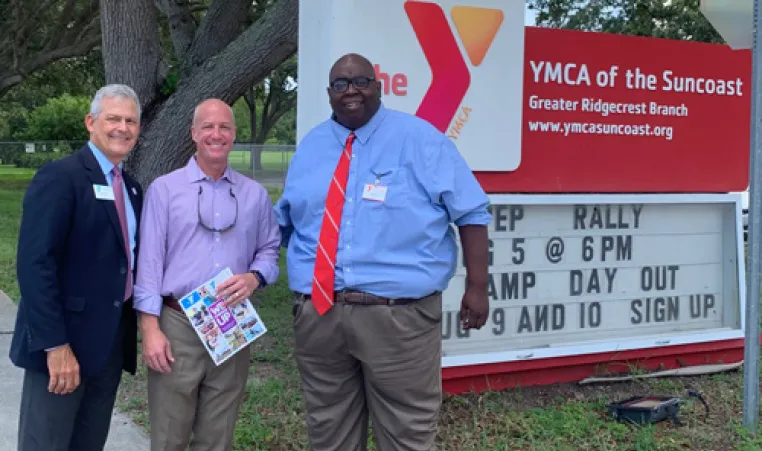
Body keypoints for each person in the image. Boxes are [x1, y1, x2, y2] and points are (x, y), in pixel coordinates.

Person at [275, 53, 492, 451]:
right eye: (340, 84)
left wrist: (478, 287)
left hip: (398, 318)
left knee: (406, 433)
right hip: (320, 316)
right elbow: (289, 224)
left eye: (360, 81)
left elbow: (472, 213)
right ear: (329, 94)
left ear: (378, 86)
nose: (351, 90)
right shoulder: (311, 147)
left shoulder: (421, 140)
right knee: (328, 429)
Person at [133, 98, 281, 451]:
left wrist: (255, 277)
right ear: (194, 134)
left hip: (231, 320)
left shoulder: (254, 195)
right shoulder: (165, 190)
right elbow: (149, 263)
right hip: (178, 322)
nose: (217, 134)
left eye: (225, 127)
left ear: (234, 135)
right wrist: (150, 329)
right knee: (170, 434)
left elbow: (270, 249)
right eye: (209, 127)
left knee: (219, 434)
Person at [10, 84, 143, 451]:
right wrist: (55, 345)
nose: (122, 127)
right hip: (62, 346)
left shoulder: (132, 189)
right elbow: (35, 265)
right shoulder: (61, 177)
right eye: (113, 118)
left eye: (130, 121)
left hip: (108, 348)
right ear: (91, 122)